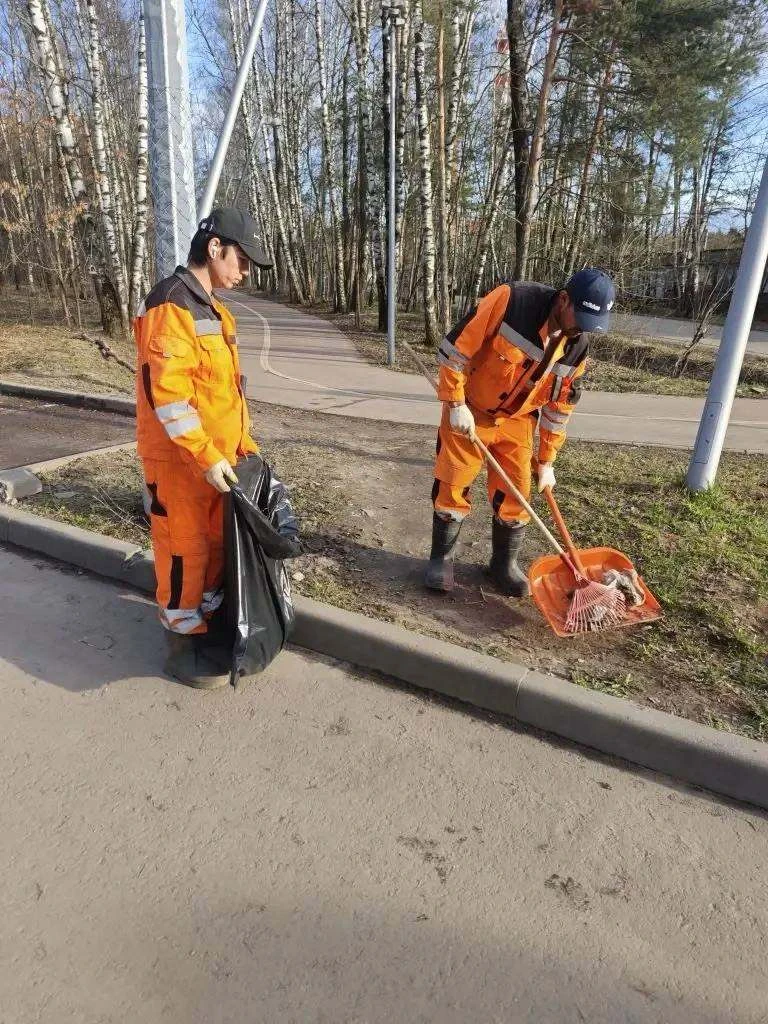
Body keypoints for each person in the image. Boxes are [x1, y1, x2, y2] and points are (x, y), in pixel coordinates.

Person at [134, 208, 272, 688]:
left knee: (214, 546)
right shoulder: (171, 305)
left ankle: (205, 624)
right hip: (180, 462)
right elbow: (169, 398)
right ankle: (181, 641)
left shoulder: (215, 310)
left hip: (216, 462)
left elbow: (228, 392)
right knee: (183, 551)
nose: (246, 271)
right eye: (243, 259)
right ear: (215, 248)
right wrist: (208, 455)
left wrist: (242, 447)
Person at [425, 268, 615, 597]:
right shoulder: (512, 301)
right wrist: (455, 403)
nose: (580, 329)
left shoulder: (577, 347)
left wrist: (547, 461)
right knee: (453, 483)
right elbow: (456, 350)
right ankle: (441, 560)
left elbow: (559, 409)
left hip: (518, 420)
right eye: (579, 317)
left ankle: (501, 566)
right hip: (472, 409)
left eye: (589, 324)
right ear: (564, 299)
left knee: (517, 494)